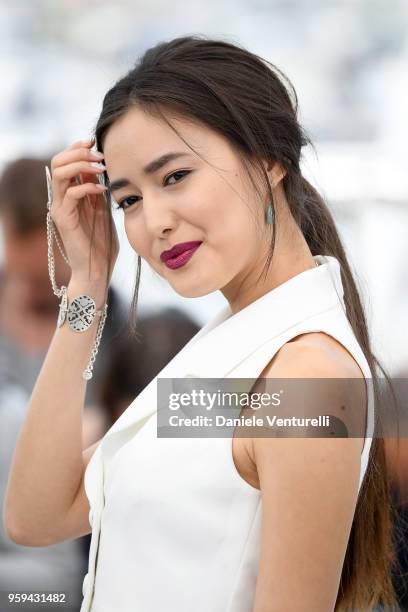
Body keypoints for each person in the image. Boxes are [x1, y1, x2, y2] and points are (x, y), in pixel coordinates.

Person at [2, 35, 400, 611]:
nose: (154, 222)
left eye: (174, 176)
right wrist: (87, 281)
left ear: (268, 161)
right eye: (129, 200)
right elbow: (38, 514)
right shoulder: (231, 355)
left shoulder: (301, 376)